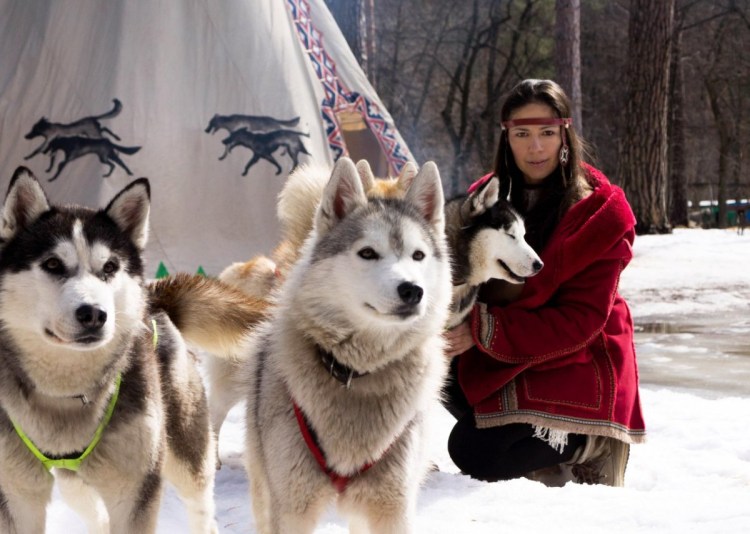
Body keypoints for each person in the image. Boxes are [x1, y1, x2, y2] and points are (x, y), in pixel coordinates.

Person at [443, 79, 646, 487]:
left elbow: (580, 322)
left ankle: (588, 441)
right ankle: (528, 443)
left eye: (547, 133)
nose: (535, 148)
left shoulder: (598, 212)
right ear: (507, 138)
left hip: (578, 356)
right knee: (431, 369)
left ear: (564, 135)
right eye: (522, 134)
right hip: (512, 349)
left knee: (472, 451)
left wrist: (480, 330)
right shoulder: (484, 199)